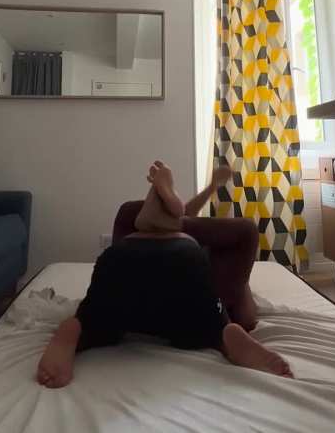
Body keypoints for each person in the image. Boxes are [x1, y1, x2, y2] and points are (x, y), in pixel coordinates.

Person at [37, 162, 293, 388]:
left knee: (95, 319)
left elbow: (181, 214)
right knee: (216, 325)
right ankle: (224, 335)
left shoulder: (134, 219)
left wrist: (207, 188)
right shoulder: (203, 246)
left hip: (122, 259)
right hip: (184, 265)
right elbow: (184, 216)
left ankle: (78, 327)